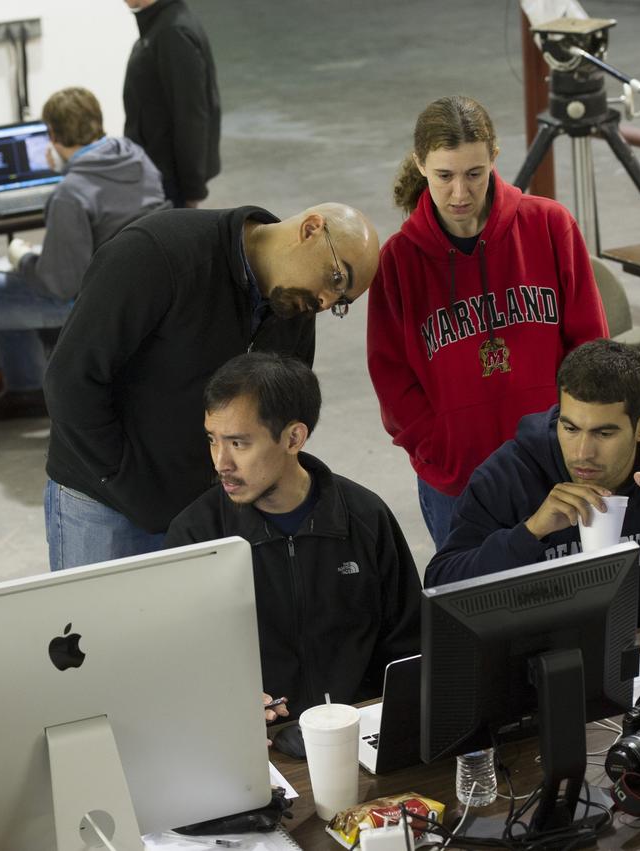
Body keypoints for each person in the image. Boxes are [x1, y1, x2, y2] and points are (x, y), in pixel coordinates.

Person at [44, 202, 379, 571]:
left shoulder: (293, 304)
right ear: (311, 228)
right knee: (100, 628)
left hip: (207, 511)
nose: (325, 301)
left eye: (341, 302)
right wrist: (126, 484)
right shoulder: (157, 253)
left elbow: (282, 413)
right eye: (335, 279)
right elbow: (71, 381)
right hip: (104, 503)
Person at [365, 95, 608, 549]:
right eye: (444, 176)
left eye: (474, 174)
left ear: (494, 158)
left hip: (555, 466)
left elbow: (590, 347)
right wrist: (439, 449)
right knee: (475, 607)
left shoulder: (550, 226)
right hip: (458, 482)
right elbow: (390, 375)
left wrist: (574, 439)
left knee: (573, 597)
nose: (460, 193)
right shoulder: (399, 261)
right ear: (420, 164)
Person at [425, 339, 640, 626]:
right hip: (540, 662)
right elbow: (442, 592)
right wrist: (529, 534)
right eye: (571, 428)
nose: (582, 453)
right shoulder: (509, 475)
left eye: (604, 433)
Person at [166, 353, 421, 716]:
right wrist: (225, 705)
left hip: (360, 728)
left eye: (238, 443)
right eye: (213, 440)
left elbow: (409, 647)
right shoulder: (196, 537)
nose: (221, 462)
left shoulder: (366, 518)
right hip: (257, 739)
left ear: (293, 438)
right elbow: (177, 665)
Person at [0, 87, 168, 454]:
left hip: (87, 303)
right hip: (141, 291)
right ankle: (26, 391)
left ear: (53, 136)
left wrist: (21, 257)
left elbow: (59, 285)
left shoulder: (71, 195)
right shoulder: (137, 157)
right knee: (10, 283)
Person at [122, 0, 221, 207]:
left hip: (169, 183)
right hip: (158, 175)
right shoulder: (160, 26)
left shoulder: (173, 32)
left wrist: (192, 191)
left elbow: (191, 116)